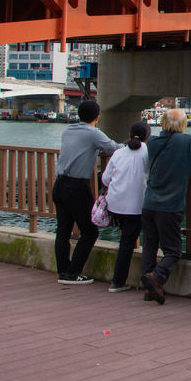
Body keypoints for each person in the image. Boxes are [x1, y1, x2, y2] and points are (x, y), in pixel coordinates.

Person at [141, 108, 191, 304]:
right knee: (173, 250)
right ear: (183, 124)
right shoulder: (187, 141)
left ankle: (150, 288)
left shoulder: (152, 142)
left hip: (149, 203)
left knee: (149, 245)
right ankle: (157, 277)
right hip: (170, 205)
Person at [52, 100, 123, 284]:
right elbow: (113, 148)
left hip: (59, 184)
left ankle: (63, 271)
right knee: (90, 231)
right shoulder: (93, 133)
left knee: (63, 230)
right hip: (76, 186)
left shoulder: (68, 131)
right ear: (97, 117)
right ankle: (73, 273)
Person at [101, 121, 151, 293]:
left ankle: (120, 280)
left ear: (130, 135)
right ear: (147, 136)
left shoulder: (118, 152)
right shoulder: (148, 152)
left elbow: (105, 179)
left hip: (115, 203)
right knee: (130, 243)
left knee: (126, 239)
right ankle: (118, 281)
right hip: (136, 205)